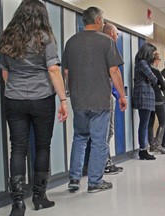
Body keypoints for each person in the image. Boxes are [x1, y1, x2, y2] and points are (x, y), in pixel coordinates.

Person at [0, 0, 68, 215]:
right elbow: (53, 70)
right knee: (42, 146)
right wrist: (63, 99)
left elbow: (5, 73)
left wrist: (18, 88)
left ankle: (18, 202)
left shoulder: (7, 38)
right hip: (41, 99)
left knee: (18, 148)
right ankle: (39, 196)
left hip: (14, 99)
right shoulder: (45, 38)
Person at [63, 7, 127, 193]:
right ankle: (95, 182)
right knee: (99, 141)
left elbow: (66, 72)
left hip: (78, 99)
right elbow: (114, 71)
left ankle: (74, 180)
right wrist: (122, 96)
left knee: (79, 138)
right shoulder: (106, 41)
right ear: (98, 19)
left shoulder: (71, 42)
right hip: (99, 99)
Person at [83, 22, 123, 176]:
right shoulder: (108, 46)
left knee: (94, 134)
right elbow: (114, 71)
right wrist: (120, 95)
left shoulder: (92, 47)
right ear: (112, 34)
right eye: (117, 34)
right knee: (105, 132)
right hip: (104, 96)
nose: (118, 37)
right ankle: (103, 164)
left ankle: (103, 163)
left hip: (89, 95)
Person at [133, 43, 158, 160]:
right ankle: (143, 149)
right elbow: (153, 78)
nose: (153, 56)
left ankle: (143, 148)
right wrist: (151, 78)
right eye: (153, 54)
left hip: (143, 95)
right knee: (144, 124)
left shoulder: (141, 63)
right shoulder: (143, 63)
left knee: (145, 123)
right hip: (144, 96)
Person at [148, 52, 165, 154]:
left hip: (149, 100)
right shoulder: (156, 71)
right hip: (159, 100)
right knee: (162, 122)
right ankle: (158, 145)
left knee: (150, 123)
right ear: (156, 61)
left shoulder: (146, 70)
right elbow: (163, 86)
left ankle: (151, 145)